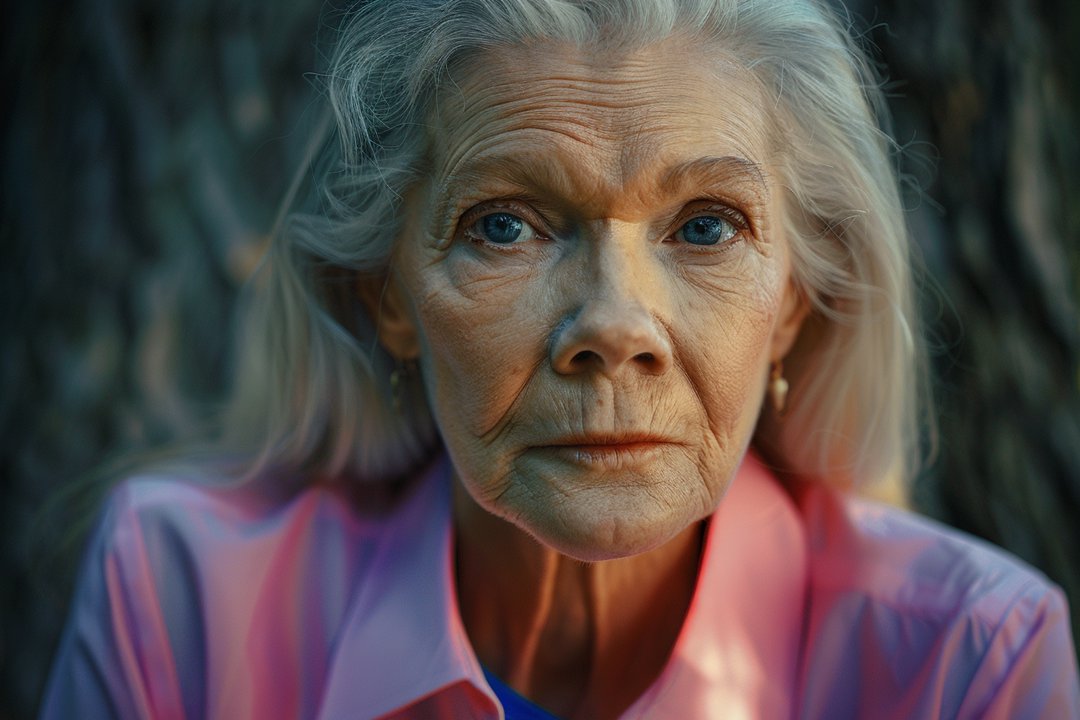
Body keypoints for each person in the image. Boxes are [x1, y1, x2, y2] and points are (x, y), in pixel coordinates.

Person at [40, 0, 1080, 718]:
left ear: (794, 308)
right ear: (386, 294)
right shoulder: (181, 608)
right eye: (503, 227)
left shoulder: (968, 665)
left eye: (707, 226)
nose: (614, 325)